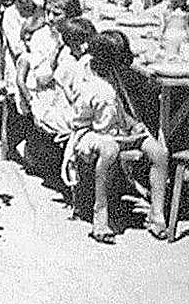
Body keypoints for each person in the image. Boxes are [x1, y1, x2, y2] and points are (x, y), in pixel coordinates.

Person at [67, 31, 169, 243]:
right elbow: (79, 121)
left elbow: (129, 110)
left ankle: (157, 214)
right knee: (110, 149)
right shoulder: (90, 83)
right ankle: (100, 213)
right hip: (94, 132)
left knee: (159, 152)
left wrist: (133, 126)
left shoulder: (117, 74)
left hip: (125, 130)